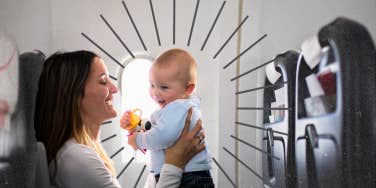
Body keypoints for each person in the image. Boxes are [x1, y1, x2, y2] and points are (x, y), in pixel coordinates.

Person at [34, 50, 205, 188]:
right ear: (73, 94)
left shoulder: (85, 149)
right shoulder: (76, 158)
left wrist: (159, 155)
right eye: (103, 82)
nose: (114, 88)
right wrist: (175, 162)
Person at [121, 49, 214, 187]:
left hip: (188, 177)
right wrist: (137, 124)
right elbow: (160, 128)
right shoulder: (176, 107)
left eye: (164, 87)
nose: (155, 92)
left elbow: (163, 136)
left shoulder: (179, 107)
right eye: (152, 85)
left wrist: (138, 140)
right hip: (185, 174)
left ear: (187, 89)